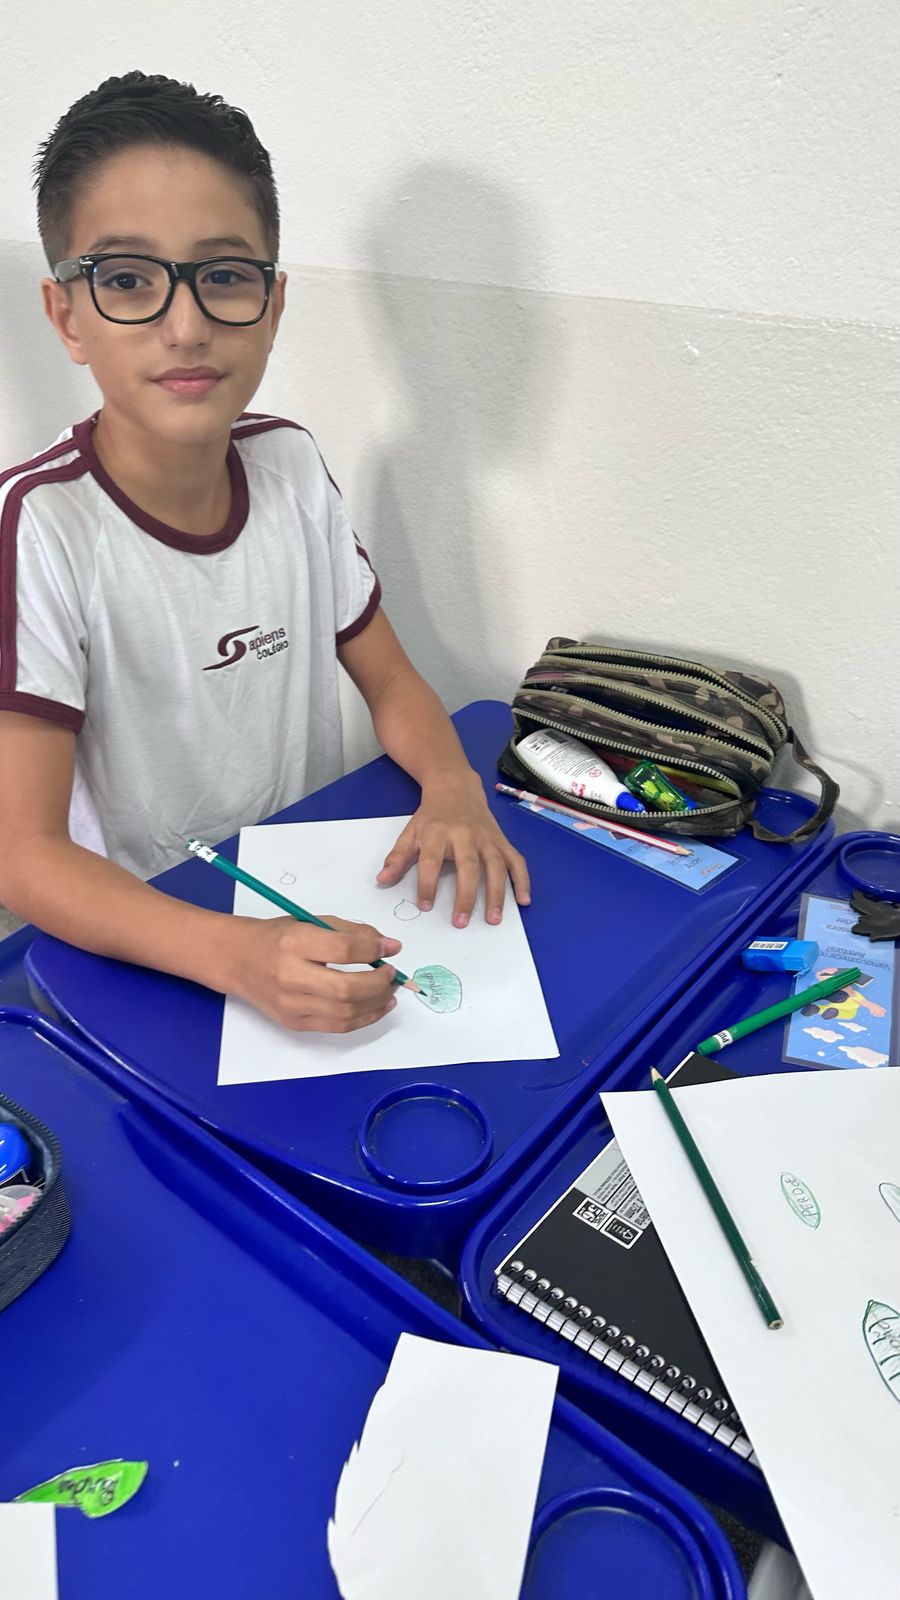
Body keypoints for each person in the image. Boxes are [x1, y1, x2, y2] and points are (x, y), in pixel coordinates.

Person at [0, 71, 529, 1035]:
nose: (187, 325)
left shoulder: (288, 464)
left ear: (274, 304)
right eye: (128, 279)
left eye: (224, 276)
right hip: (148, 945)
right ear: (67, 316)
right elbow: (25, 858)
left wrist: (454, 785)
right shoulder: (40, 526)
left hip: (309, 891)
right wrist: (235, 956)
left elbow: (391, 679)